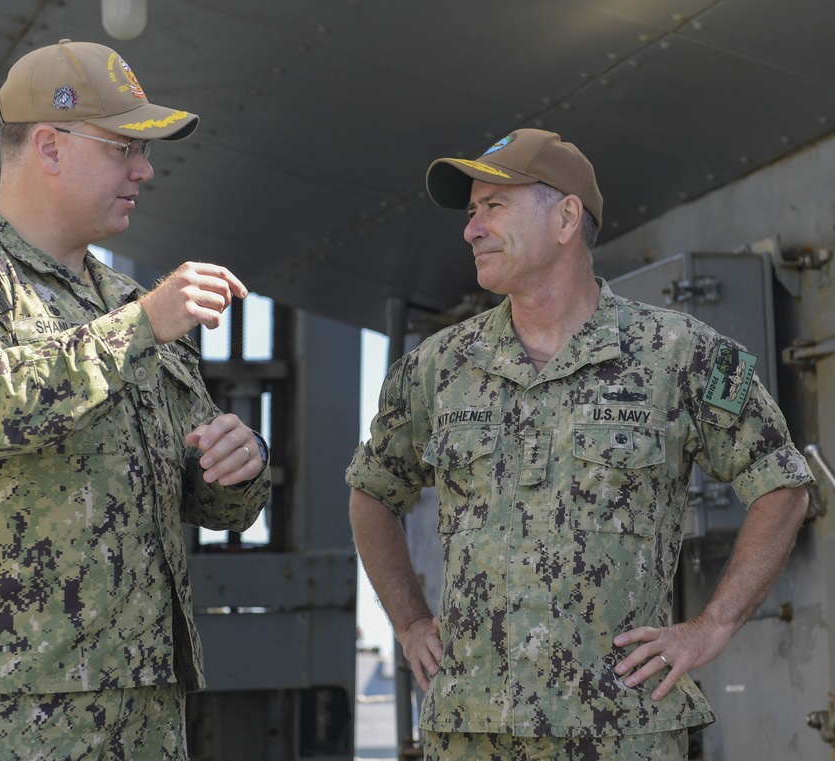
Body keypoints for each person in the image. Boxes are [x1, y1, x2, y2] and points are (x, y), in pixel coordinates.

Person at [346, 128, 813, 760]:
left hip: (621, 731)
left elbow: (780, 481)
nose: (471, 230)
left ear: (567, 217)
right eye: (471, 213)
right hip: (470, 731)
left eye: (494, 207)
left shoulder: (680, 355)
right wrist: (408, 621)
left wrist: (712, 626)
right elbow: (372, 492)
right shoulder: (434, 368)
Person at [0, 39, 271, 760]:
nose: (144, 170)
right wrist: (141, 327)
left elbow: (203, 500)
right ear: (51, 147)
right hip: (2, 712)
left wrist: (240, 468)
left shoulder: (132, 304)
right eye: (123, 148)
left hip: (145, 709)